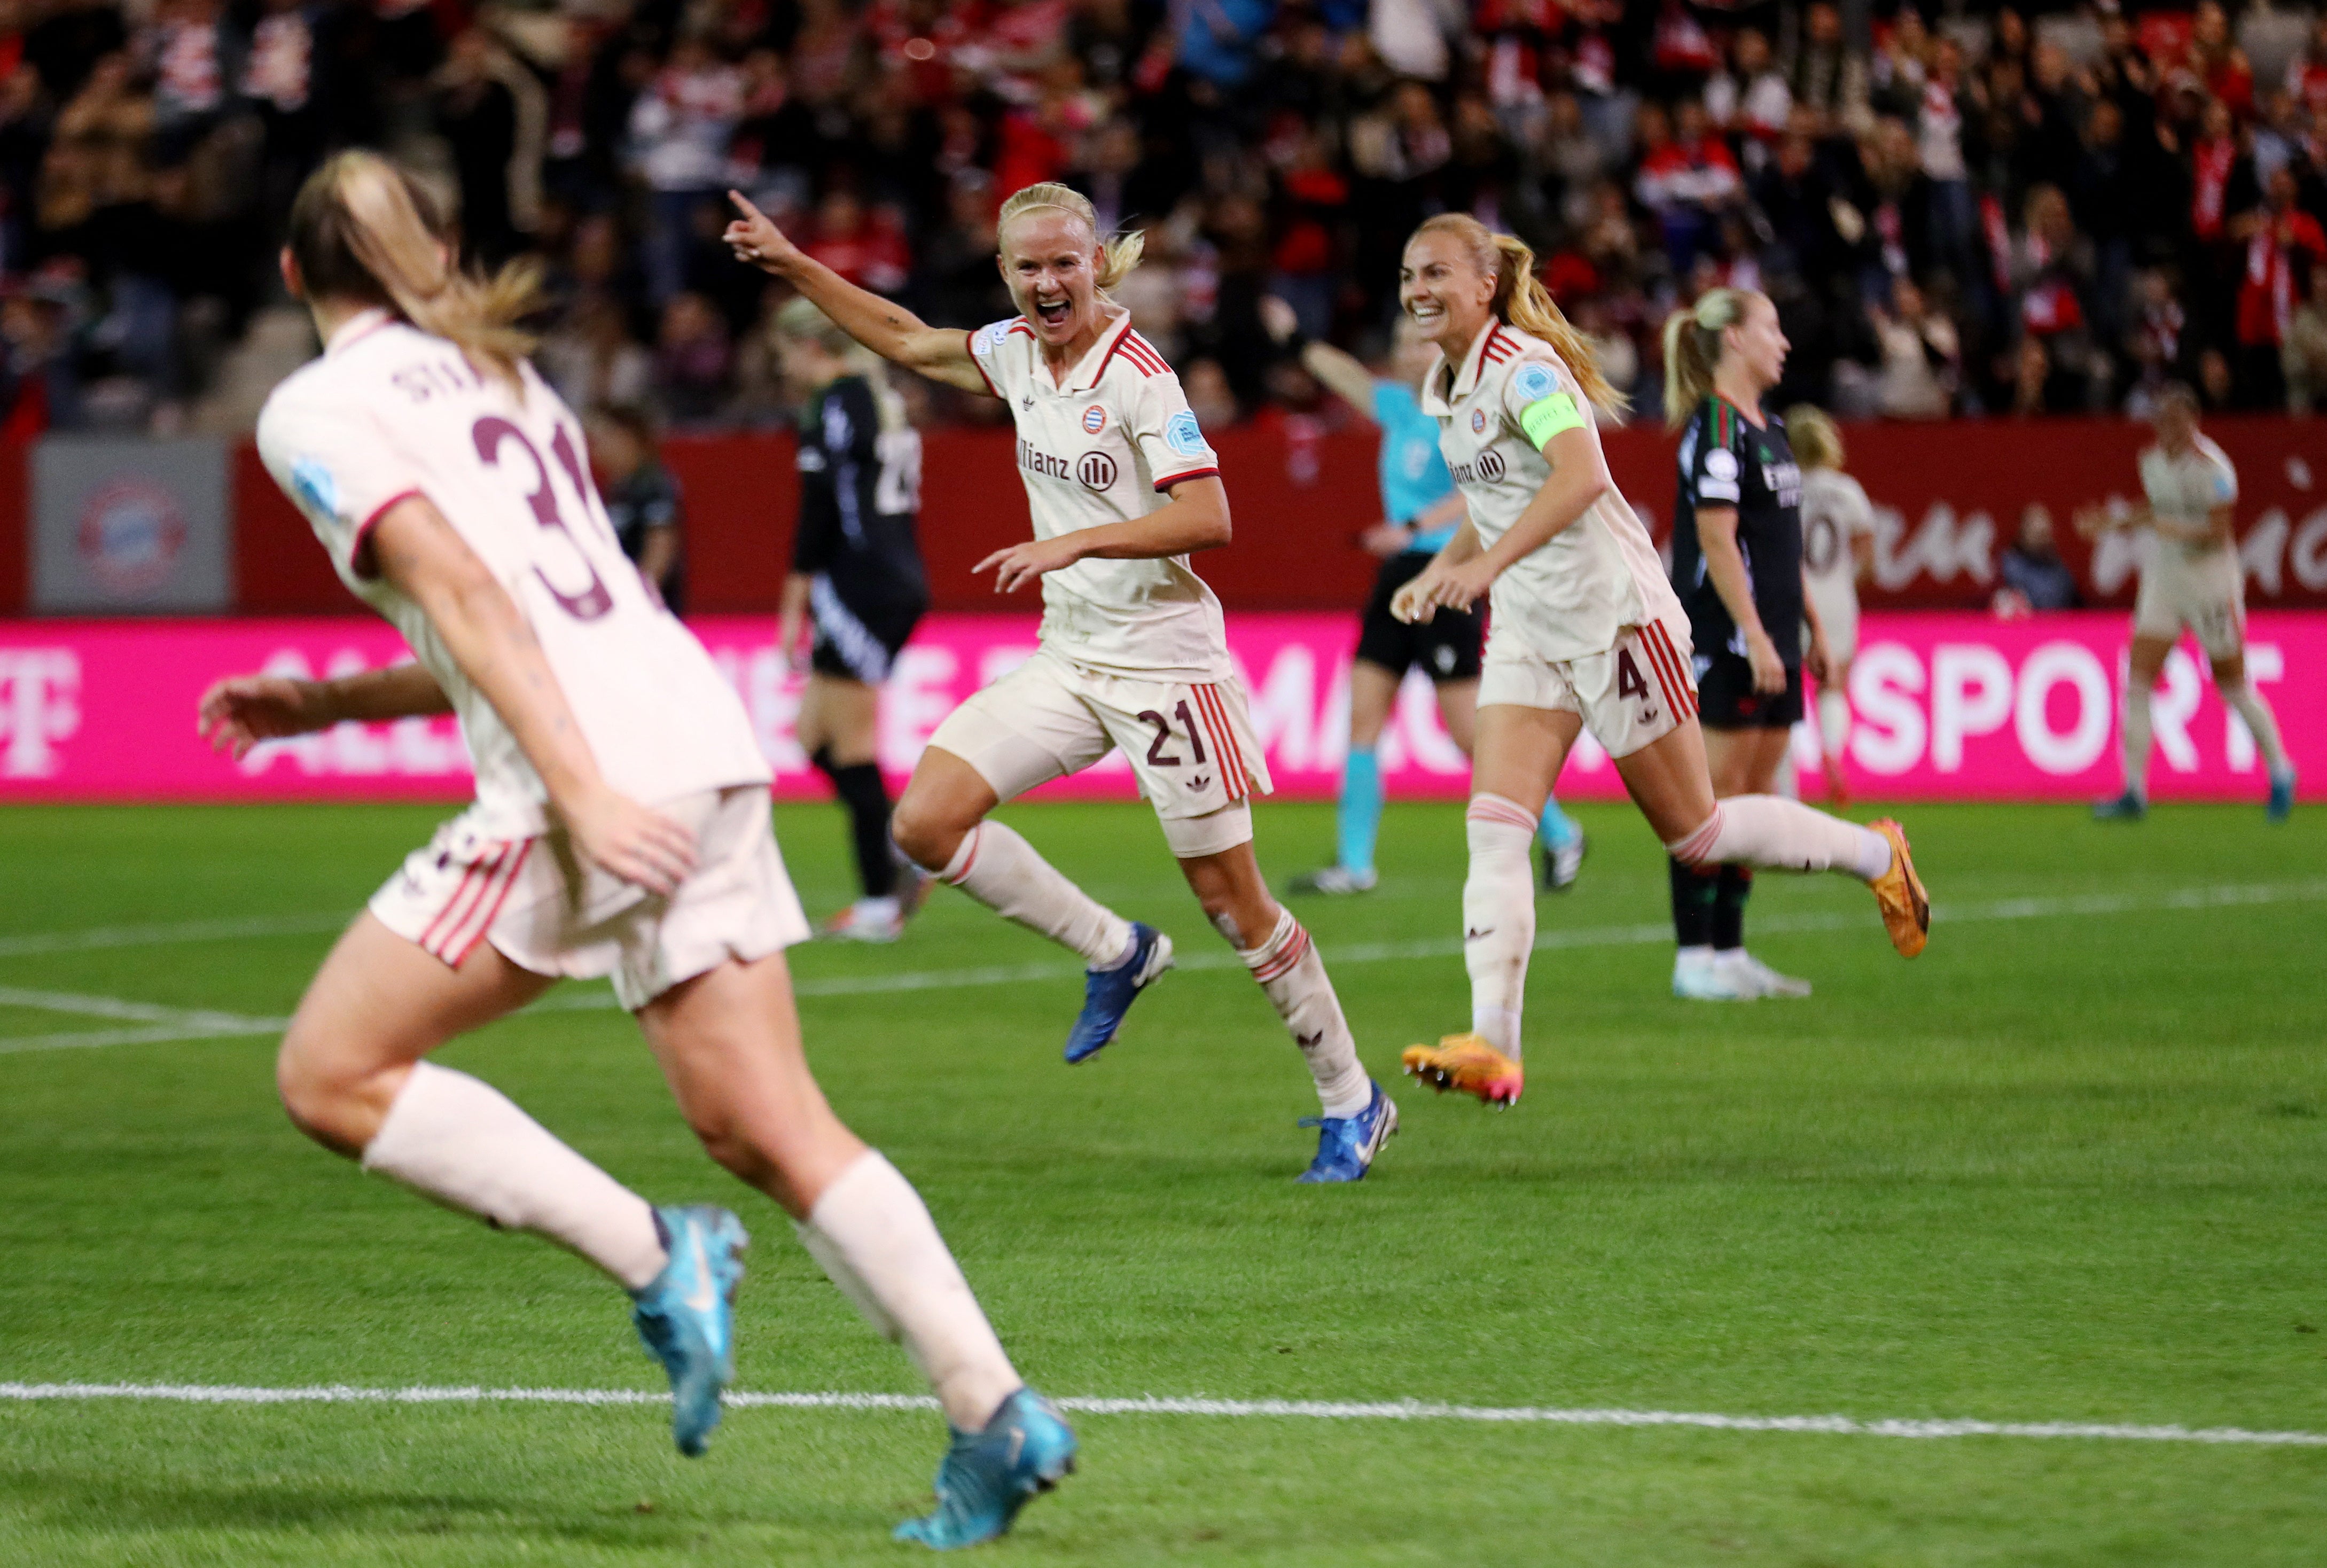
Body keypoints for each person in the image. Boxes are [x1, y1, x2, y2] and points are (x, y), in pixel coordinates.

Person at [200, 152, 1072, 1551]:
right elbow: (547, 604)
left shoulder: (316, 405)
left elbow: (473, 593)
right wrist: (335, 699)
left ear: (298, 275)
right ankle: (995, 1408)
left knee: (331, 1068)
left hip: (592, 772)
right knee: (767, 1125)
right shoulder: (502, 378)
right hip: (695, 732)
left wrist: (574, 792)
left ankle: (654, 1251)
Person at [723, 181, 1397, 1183]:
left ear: (1097, 266)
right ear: (1006, 274)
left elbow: (1209, 515)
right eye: (1028, 267)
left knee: (1234, 903)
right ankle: (1115, 950)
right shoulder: (1013, 353)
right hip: (1073, 656)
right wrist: (795, 263)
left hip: (1167, 664)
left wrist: (1078, 541)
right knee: (925, 824)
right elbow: (907, 340)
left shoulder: (1138, 375)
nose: (1047, 282)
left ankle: (1354, 1097)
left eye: (1064, 264)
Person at [1387, 219, 1928, 1106]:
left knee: (1699, 836)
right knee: (1494, 829)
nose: (1418, 288)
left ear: (1485, 284)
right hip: (1530, 629)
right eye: (1409, 274)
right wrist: (1447, 568)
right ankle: (1496, 1045)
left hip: (1613, 622)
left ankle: (1875, 854)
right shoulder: (1446, 384)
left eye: (1436, 272)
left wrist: (1483, 567)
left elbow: (1579, 476)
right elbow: (1498, 493)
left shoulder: (1524, 370)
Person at [1261, 297, 1586, 898]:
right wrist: (1295, 341)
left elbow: (1480, 494)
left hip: (1447, 571)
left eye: (1420, 340)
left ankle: (1561, 830)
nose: (1409, 351)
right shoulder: (1399, 408)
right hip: (1397, 577)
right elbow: (1347, 376)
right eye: (1402, 341)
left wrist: (1410, 530)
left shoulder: (1466, 414)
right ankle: (1355, 863)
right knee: (1363, 717)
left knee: (1468, 733)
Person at [1662, 296, 1838, 1003]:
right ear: (1735, 338)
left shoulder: (1769, 430)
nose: (1784, 343)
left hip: (1776, 637)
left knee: (1757, 796)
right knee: (1710, 800)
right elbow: (1715, 538)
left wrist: (1813, 625)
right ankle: (1692, 953)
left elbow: (1777, 546)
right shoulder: (1715, 426)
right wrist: (1758, 635)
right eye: (1771, 328)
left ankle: (1731, 950)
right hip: (1729, 637)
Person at [772, 295, 934, 942]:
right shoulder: (880, 398)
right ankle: (901, 861)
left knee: (852, 744)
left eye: (783, 354)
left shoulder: (835, 402)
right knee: (812, 738)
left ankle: (880, 902)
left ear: (809, 348)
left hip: (860, 583)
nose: (782, 368)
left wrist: (795, 602)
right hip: (886, 577)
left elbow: (820, 508)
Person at [2079, 384, 2297, 822]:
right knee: (2137, 676)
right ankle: (2135, 791)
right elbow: (2156, 508)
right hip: (2166, 577)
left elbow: (2219, 530)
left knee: (2232, 686)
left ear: (2194, 422)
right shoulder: (2152, 460)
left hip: (2210, 582)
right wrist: (2116, 521)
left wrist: (2174, 529)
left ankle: (2281, 769)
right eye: (2161, 421)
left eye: (2176, 422)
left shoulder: (2215, 468)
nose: (2167, 430)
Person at [1785, 404, 1873, 807]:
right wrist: (1846, 583)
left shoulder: (1785, 489)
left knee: (1783, 686)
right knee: (1833, 684)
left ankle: (1782, 775)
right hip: (1837, 598)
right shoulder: (1848, 490)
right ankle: (1832, 752)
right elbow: (1868, 558)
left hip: (1791, 597)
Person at [584, 403, 686, 612]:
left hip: (647, 611)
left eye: (601, 439)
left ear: (626, 437)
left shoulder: (653, 485)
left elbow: (661, 547)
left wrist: (638, 600)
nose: (595, 450)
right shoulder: (617, 490)